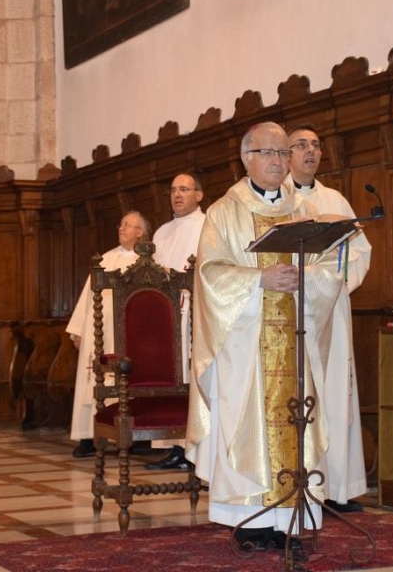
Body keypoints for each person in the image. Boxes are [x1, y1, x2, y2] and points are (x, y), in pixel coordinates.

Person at [186, 122, 346, 549]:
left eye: (282, 153)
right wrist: (259, 280)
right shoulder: (225, 212)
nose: (278, 161)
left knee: (297, 421)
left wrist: (305, 278)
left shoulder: (305, 212)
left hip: (295, 339)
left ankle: (293, 521)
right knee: (249, 425)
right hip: (245, 344)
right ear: (246, 158)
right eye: (269, 153)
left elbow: (331, 269)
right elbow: (209, 273)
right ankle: (252, 522)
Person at [286, 123, 372, 513]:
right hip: (289, 308)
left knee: (334, 393)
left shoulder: (336, 200)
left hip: (331, 307)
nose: (311, 151)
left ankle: (337, 486)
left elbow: (359, 251)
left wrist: (331, 282)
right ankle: (294, 484)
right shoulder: (277, 197)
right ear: (285, 154)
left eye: (316, 145)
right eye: (301, 145)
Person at [67, 211, 150, 457]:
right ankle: (88, 436)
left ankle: (129, 437)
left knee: (126, 385)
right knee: (91, 384)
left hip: (128, 336)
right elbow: (87, 297)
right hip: (98, 334)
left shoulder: (146, 263)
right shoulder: (104, 259)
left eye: (128, 225)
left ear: (140, 232)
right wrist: (77, 330)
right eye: (120, 224)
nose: (122, 228)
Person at [145, 172, 205, 471]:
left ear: (199, 195)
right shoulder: (161, 232)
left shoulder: (207, 226)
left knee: (191, 379)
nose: (177, 195)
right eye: (172, 190)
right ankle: (173, 447)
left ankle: (194, 448)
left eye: (184, 189)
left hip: (192, 314)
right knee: (170, 377)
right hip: (165, 316)